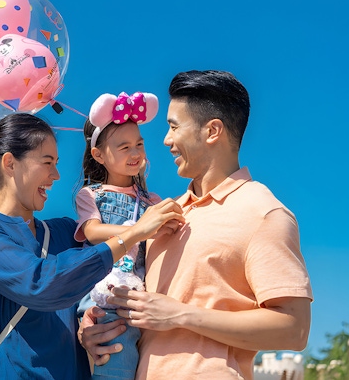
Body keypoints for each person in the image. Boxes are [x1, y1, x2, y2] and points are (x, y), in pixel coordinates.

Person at [79, 70, 313, 380]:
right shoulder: (162, 215)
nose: (166, 140)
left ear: (212, 131)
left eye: (174, 126)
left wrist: (179, 315)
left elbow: (294, 330)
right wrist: (91, 329)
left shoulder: (262, 211)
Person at [0, 113, 184, 379]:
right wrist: (133, 233)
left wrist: (89, 322)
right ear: (11, 163)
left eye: (56, 163)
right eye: (47, 163)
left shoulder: (67, 232)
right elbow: (40, 283)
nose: (56, 175)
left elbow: (86, 293)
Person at [75, 91, 166, 379]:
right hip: (107, 296)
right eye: (124, 146)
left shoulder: (152, 200)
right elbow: (91, 231)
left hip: (141, 297)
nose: (136, 153)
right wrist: (138, 230)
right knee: (117, 364)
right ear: (98, 155)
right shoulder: (92, 195)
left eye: (139, 144)